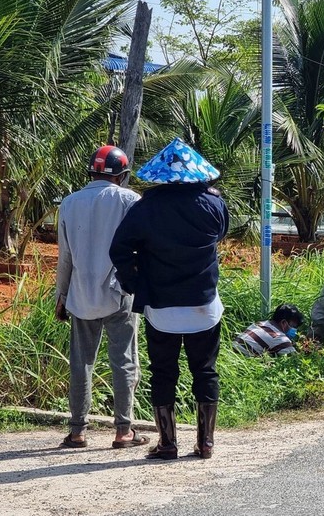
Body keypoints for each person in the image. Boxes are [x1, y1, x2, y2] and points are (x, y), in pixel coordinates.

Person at [110, 138, 229, 460]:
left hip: (161, 305)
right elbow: (220, 235)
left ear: (160, 174)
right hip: (204, 304)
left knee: (163, 372)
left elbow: (118, 249)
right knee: (205, 371)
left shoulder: (147, 206)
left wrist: (135, 282)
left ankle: (167, 443)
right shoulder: (215, 203)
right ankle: (205, 443)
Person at [55, 145, 148, 449]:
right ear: (122, 175)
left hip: (81, 295)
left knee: (81, 362)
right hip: (119, 293)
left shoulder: (69, 203)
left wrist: (61, 295)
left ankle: (78, 430)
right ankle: (123, 430)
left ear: (91, 172)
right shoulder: (130, 199)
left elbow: (65, 257)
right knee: (123, 361)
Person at [234, 303, 305, 357]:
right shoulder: (279, 338)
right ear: (283, 323)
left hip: (231, 353)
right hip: (242, 360)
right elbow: (295, 359)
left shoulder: (260, 323)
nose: (294, 330)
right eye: (293, 326)